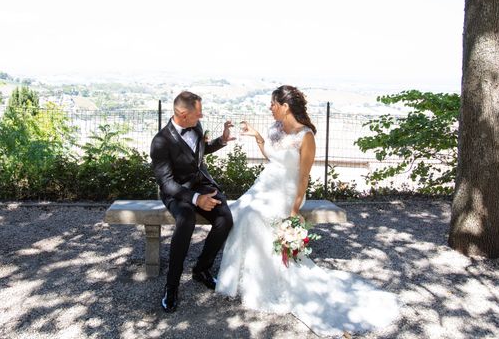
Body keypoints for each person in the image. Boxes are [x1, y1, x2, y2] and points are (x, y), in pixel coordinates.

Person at [216, 85, 399, 336]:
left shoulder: (306, 136)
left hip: (288, 191)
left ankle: (270, 282)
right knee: (241, 211)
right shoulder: (275, 129)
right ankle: (243, 279)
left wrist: (294, 208)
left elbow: (303, 176)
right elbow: (271, 156)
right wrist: (257, 136)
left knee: (254, 216)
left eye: (273, 104)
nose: (270, 108)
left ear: (285, 106)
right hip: (265, 185)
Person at [150, 91, 234, 313]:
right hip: (177, 192)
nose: (202, 116)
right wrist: (197, 200)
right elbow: (166, 183)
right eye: (198, 113)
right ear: (183, 114)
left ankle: (201, 269)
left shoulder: (195, 126)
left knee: (225, 219)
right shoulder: (160, 141)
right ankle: (172, 286)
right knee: (186, 219)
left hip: (201, 184)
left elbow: (198, 151)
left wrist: (221, 141)